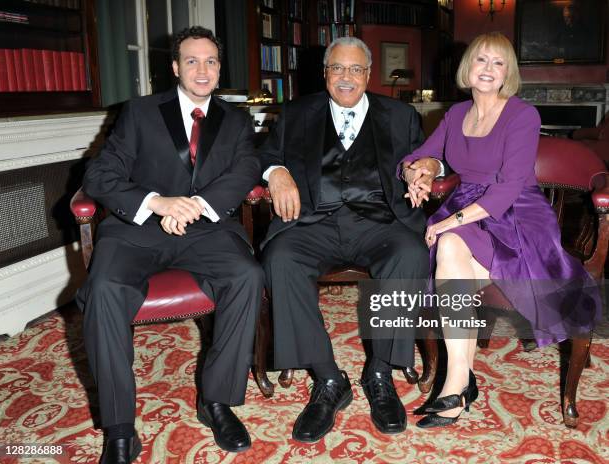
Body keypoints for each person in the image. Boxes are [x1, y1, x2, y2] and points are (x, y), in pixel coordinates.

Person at [77, 26, 262, 462]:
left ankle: (215, 400)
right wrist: (157, 203)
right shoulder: (139, 113)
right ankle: (120, 429)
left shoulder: (235, 120)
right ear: (176, 67)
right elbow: (100, 175)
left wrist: (195, 205)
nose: (203, 70)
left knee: (248, 276)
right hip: (138, 230)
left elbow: (245, 170)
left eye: (211, 61)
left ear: (220, 69)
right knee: (104, 289)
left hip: (206, 230)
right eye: (192, 61)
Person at [398, 31, 600, 429]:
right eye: (481, 60)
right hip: (467, 208)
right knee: (451, 253)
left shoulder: (523, 115)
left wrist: (445, 220)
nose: (488, 69)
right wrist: (416, 173)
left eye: (498, 63)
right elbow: (425, 156)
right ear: (467, 68)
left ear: (509, 72)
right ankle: (459, 382)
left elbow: (507, 188)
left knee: (449, 257)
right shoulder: (455, 115)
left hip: (517, 213)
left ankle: (456, 385)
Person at [259, 36, 441, 442]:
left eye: (355, 70)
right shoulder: (295, 113)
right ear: (325, 73)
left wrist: (425, 167)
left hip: (378, 221)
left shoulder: (398, 115)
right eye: (337, 68)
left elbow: (426, 156)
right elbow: (264, 154)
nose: (346, 77)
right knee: (280, 259)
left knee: (410, 253)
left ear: (368, 75)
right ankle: (327, 378)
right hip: (312, 223)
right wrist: (276, 172)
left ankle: (379, 371)